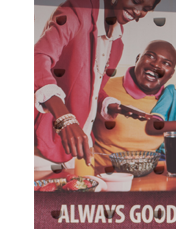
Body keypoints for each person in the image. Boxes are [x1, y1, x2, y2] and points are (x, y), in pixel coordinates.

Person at [34, 0, 163, 169]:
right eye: (136, 1)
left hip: (79, 150)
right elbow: (38, 58)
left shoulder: (117, 41)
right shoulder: (77, 11)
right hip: (43, 145)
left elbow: (91, 87)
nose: (138, 12)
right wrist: (65, 119)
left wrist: (112, 106)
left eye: (146, 9)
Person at [90, 39, 176, 170]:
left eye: (166, 63)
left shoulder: (172, 101)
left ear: (171, 74)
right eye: (151, 56)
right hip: (102, 173)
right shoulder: (103, 87)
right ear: (137, 59)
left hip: (150, 177)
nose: (156, 65)